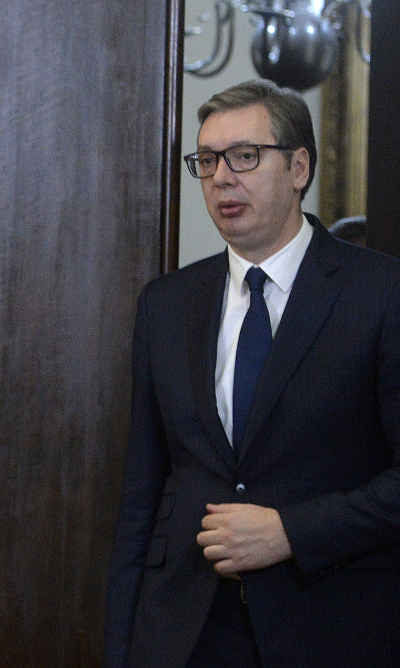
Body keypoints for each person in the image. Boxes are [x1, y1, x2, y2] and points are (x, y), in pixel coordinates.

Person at [105, 79, 400, 667]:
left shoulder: (381, 293)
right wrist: (122, 649)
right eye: (207, 160)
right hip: (186, 630)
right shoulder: (167, 305)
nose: (221, 178)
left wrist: (292, 531)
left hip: (330, 624)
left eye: (244, 156)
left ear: (298, 168)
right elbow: (143, 492)